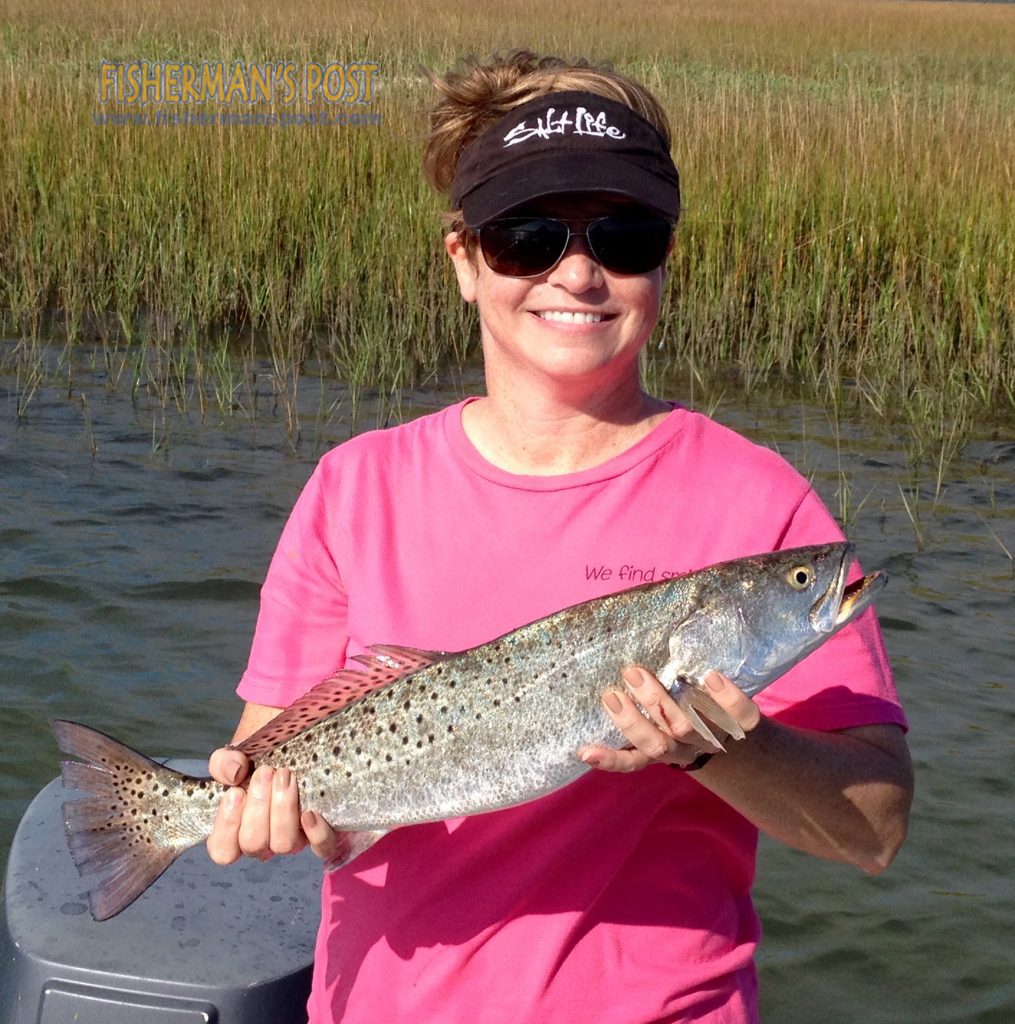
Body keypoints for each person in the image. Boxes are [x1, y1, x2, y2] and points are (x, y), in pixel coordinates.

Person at [206, 50, 913, 1023]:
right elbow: (262, 761)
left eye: (623, 235)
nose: (576, 272)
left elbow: (874, 828)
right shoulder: (352, 489)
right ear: (463, 259)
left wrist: (717, 748)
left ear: (667, 254)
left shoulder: (763, 500)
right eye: (526, 236)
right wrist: (260, 811)